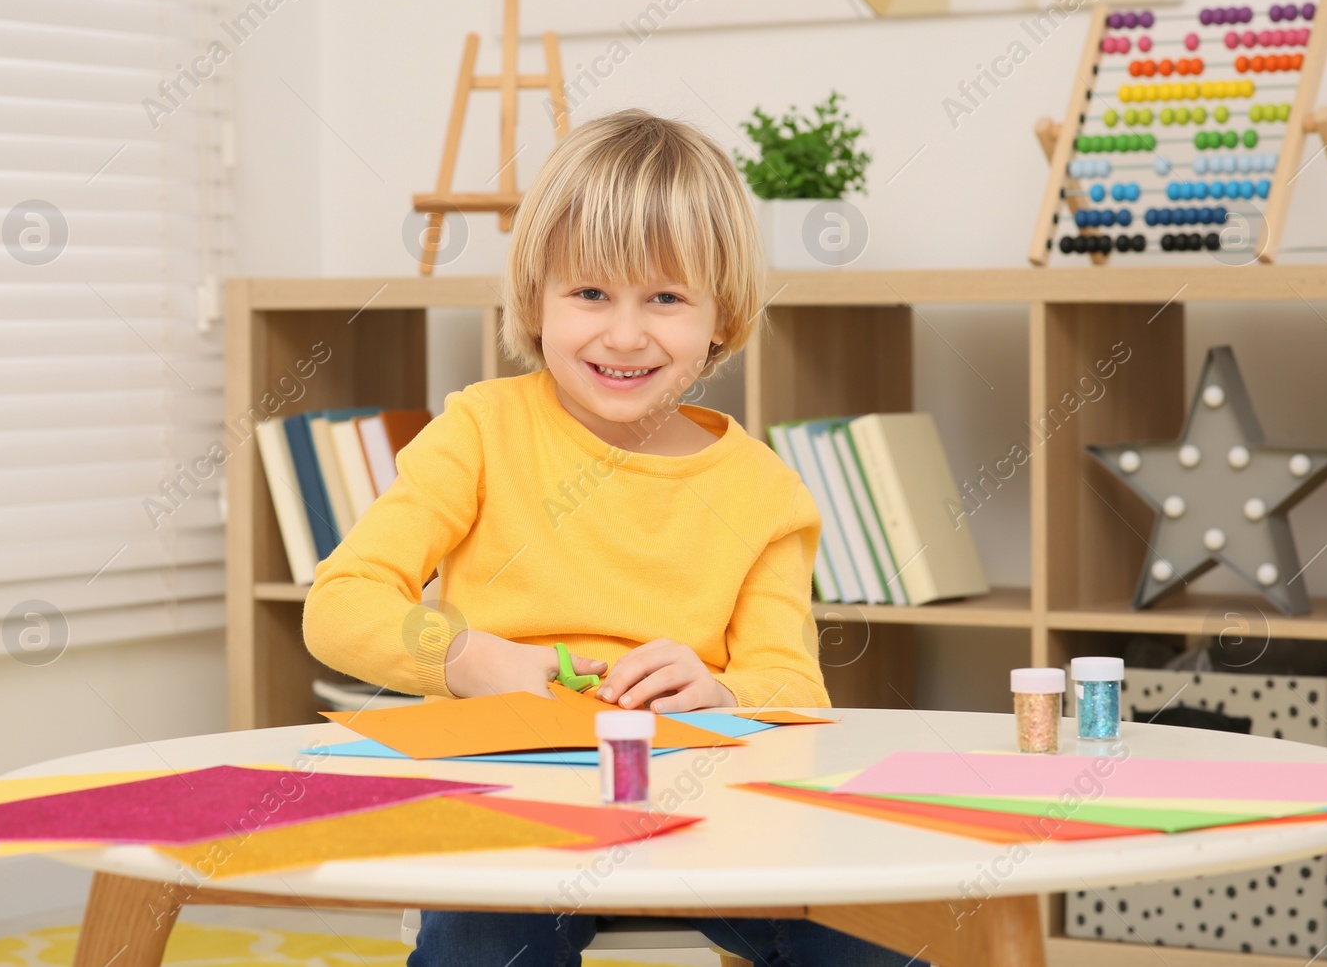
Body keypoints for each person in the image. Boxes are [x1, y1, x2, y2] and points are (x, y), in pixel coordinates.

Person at [303, 108, 928, 967]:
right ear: (535, 299)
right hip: (511, 807)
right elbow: (341, 604)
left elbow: (792, 689)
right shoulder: (480, 431)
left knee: (872, 939)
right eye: (591, 292)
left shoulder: (766, 492)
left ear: (722, 316)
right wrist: (470, 659)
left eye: (665, 298)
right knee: (482, 946)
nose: (626, 334)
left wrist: (719, 691)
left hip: (714, 814)